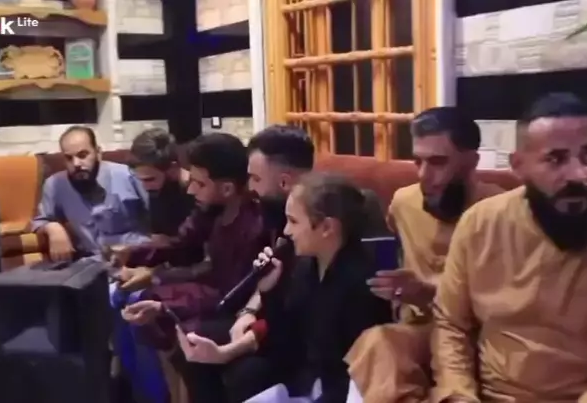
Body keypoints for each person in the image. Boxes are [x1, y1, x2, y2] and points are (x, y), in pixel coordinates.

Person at [432, 93, 587, 402]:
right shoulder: (481, 224)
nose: (580, 174)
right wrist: (459, 394)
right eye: (556, 159)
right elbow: (451, 324)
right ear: (519, 166)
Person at [187, 172, 393, 402]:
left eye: (294, 222)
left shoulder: (361, 284)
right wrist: (269, 291)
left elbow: (352, 375)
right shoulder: (306, 268)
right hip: (308, 383)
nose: (286, 231)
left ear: (327, 227)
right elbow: (285, 343)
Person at [348, 107, 504, 401]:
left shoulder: (501, 212)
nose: (424, 176)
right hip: (420, 330)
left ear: (471, 162)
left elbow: (502, 298)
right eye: (417, 161)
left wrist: (427, 291)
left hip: (480, 336)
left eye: (438, 162)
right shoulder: (403, 203)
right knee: (377, 343)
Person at [173, 125, 316, 403]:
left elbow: (299, 319)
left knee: (246, 373)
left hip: (299, 338)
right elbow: (272, 282)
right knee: (194, 341)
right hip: (275, 322)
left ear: (284, 182)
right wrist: (249, 311)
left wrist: (232, 348)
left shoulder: (313, 222)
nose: (250, 188)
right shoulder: (279, 215)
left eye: (255, 179)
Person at [120, 132, 266, 347]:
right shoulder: (210, 209)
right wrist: (130, 255)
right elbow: (181, 242)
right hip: (210, 292)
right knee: (139, 301)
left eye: (199, 183)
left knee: (175, 325)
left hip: (233, 307)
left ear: (227, 188)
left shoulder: (252, 226)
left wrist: (162, 294)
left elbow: (227, 292)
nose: (190, 189)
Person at [30, 125, 150, 262]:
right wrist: (52, 228)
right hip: (92, 263)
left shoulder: (128, 176)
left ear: (98, 153)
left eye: (82, 155)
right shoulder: (55, 185)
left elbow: (159, 217)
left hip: (136, 259)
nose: (76, 163)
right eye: (69, 158)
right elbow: (39, 221)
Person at [128, 128, 193, 241]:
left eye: (150, 179)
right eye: (140, 180)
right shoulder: (157, 190)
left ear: (173, 168)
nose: (145, 187)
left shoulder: (196, 193)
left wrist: (168, 242)